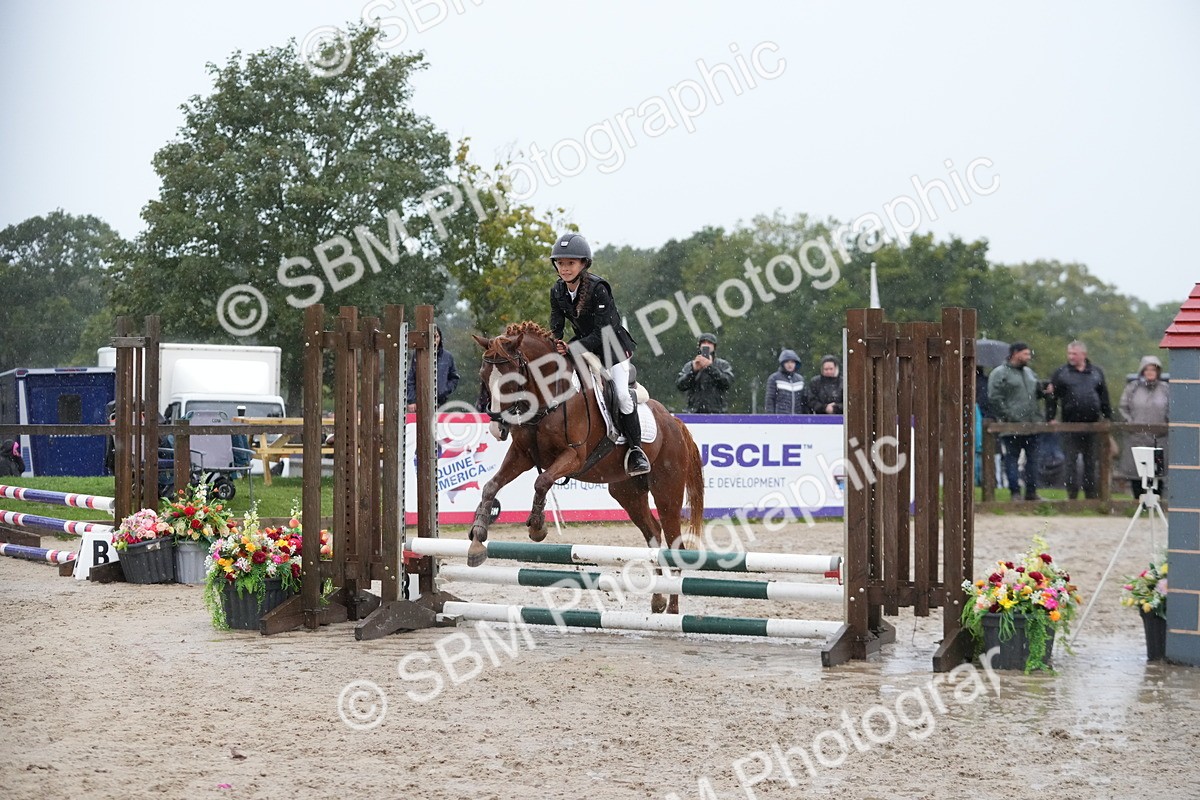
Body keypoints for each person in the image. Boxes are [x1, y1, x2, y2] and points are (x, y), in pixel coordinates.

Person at [548, 232, 649, 476]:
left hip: (612, 348)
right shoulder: (558, 291)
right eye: (561, 263)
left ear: (583, 264)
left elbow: (603, 333)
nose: (565, 268)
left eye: (570, 263)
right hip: (583, 345)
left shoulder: (598, 288)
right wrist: (555, 343)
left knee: (623, 396)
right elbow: (556, 325)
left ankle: (636, 450)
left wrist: (573, 347)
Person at [1045, 340, 1113, 500]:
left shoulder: (1096, 372)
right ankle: (1072, 496)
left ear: (1084, 354)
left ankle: (1091, 496)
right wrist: (1050, 417)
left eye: (1074, 354)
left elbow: (1104, 396)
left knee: (1091, 462)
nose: (1071, 357)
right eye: (1069, 353)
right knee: (1070, 462)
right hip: (1070, 425)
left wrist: (1108, 417)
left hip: (1092, 425)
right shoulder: (1061, 373)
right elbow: (1051, 396)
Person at [987, 342, 1044, 501]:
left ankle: (1031, 492)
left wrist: (1044, 391)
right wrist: (1008, 415)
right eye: (1025, 354)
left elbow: (1036, 394)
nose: (1028, 357)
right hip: (1011, 426)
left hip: (1032, 425)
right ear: (1015, 353)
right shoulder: (1000, 373)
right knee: (1012, 459)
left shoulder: (1030, 373)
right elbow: (994, 397)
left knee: (1033, 460)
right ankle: (1015, 493)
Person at [1116, 355, 1169, 501]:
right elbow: (1123, 407)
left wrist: (1166, 424)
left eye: (1154, 369)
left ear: (1158, 372)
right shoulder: (1132, 388)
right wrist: (1130, 423)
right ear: (1142, 371)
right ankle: (1138, 503)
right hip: (1137, 438)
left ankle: (1156, 503)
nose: (1150, 372)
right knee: (1137, 473)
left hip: (1159, 440)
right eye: (1147, 369)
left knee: (1157, 473)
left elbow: (1172, 410)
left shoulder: (1166, 389)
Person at [676, 332, 734, 414]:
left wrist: (710, 367)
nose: (706, 345)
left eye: (709, 343)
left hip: (717, 412)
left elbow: (727, 382)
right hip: (693, 412)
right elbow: (681, 385)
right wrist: (693, 371)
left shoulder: (723, 365)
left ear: (714, 346)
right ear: (699, 346)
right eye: (703, 342)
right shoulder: (691, 365)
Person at [406, 324, 460, 410]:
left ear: (440, 338)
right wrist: (411, 400)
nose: (435, 340)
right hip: (420, 402)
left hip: (441, 403)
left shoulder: (447, 356)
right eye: (433, 337)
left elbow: (454, 378)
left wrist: (444, 389)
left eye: (437, 336)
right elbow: (411, 378)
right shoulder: (418, 355)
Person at [764, 349, 805, 414]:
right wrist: (771, 417)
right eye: (787, 362)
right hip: (780, 419)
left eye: (792, 362)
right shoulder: (774, 378)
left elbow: (804, 402)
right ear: (782, 363)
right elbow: (770, 401)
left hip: (797, 419)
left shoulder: (800, 380)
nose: (790, 365)